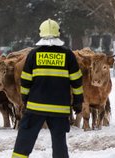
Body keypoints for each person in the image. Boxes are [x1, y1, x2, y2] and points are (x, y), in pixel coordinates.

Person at [11, 18, 83, 158]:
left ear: (40, 33)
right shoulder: (68, 55)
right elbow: (76, 81)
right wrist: (78, 102)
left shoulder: (33, 54)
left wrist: (25, 100)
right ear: (58, 33)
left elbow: (25, 81)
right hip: (60, 108)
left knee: (25, 137)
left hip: (35, 107)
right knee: (59, 141)